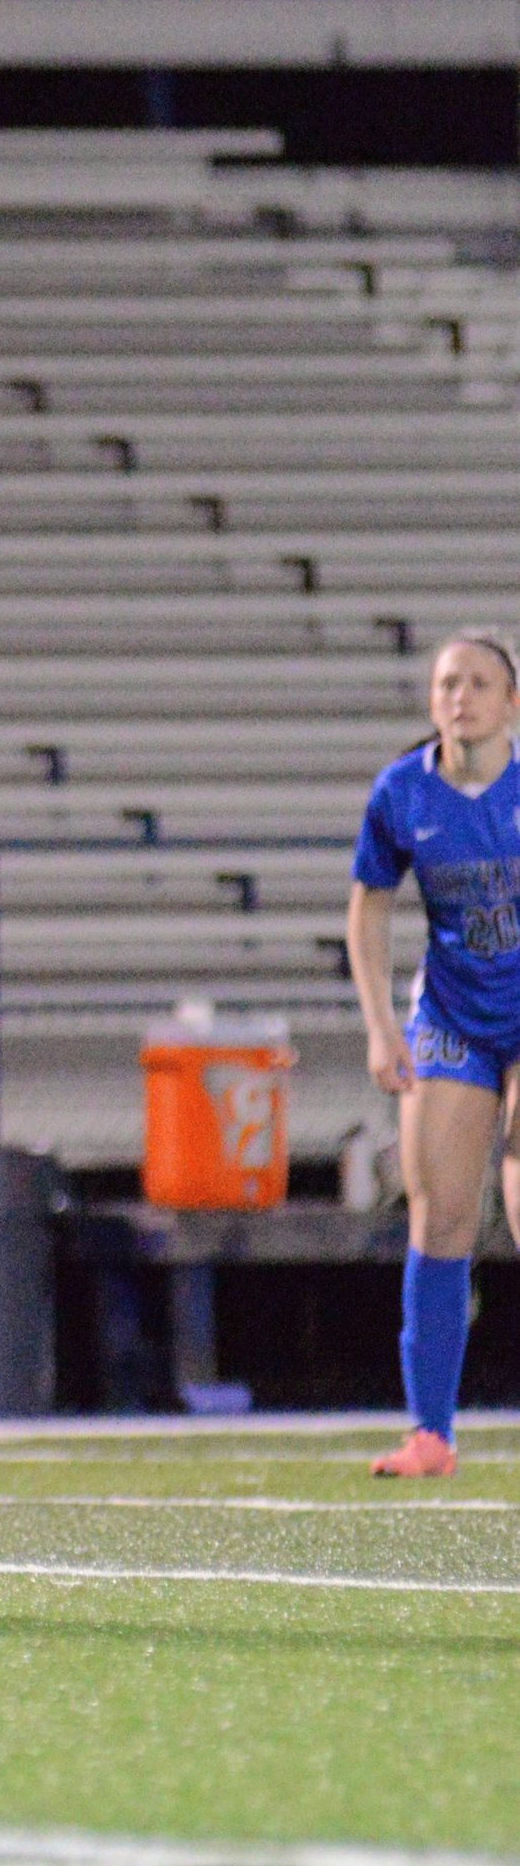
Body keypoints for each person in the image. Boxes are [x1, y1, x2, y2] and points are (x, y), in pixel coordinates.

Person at [347, 626, 520, 1478]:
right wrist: (381, 1025)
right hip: (452, 1015)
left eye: (480, 682)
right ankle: (431, 1434)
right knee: (441, 1213)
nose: (461, 696)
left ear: (512, 702)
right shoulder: (401, 791)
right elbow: (370, 906)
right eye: (449, 682)